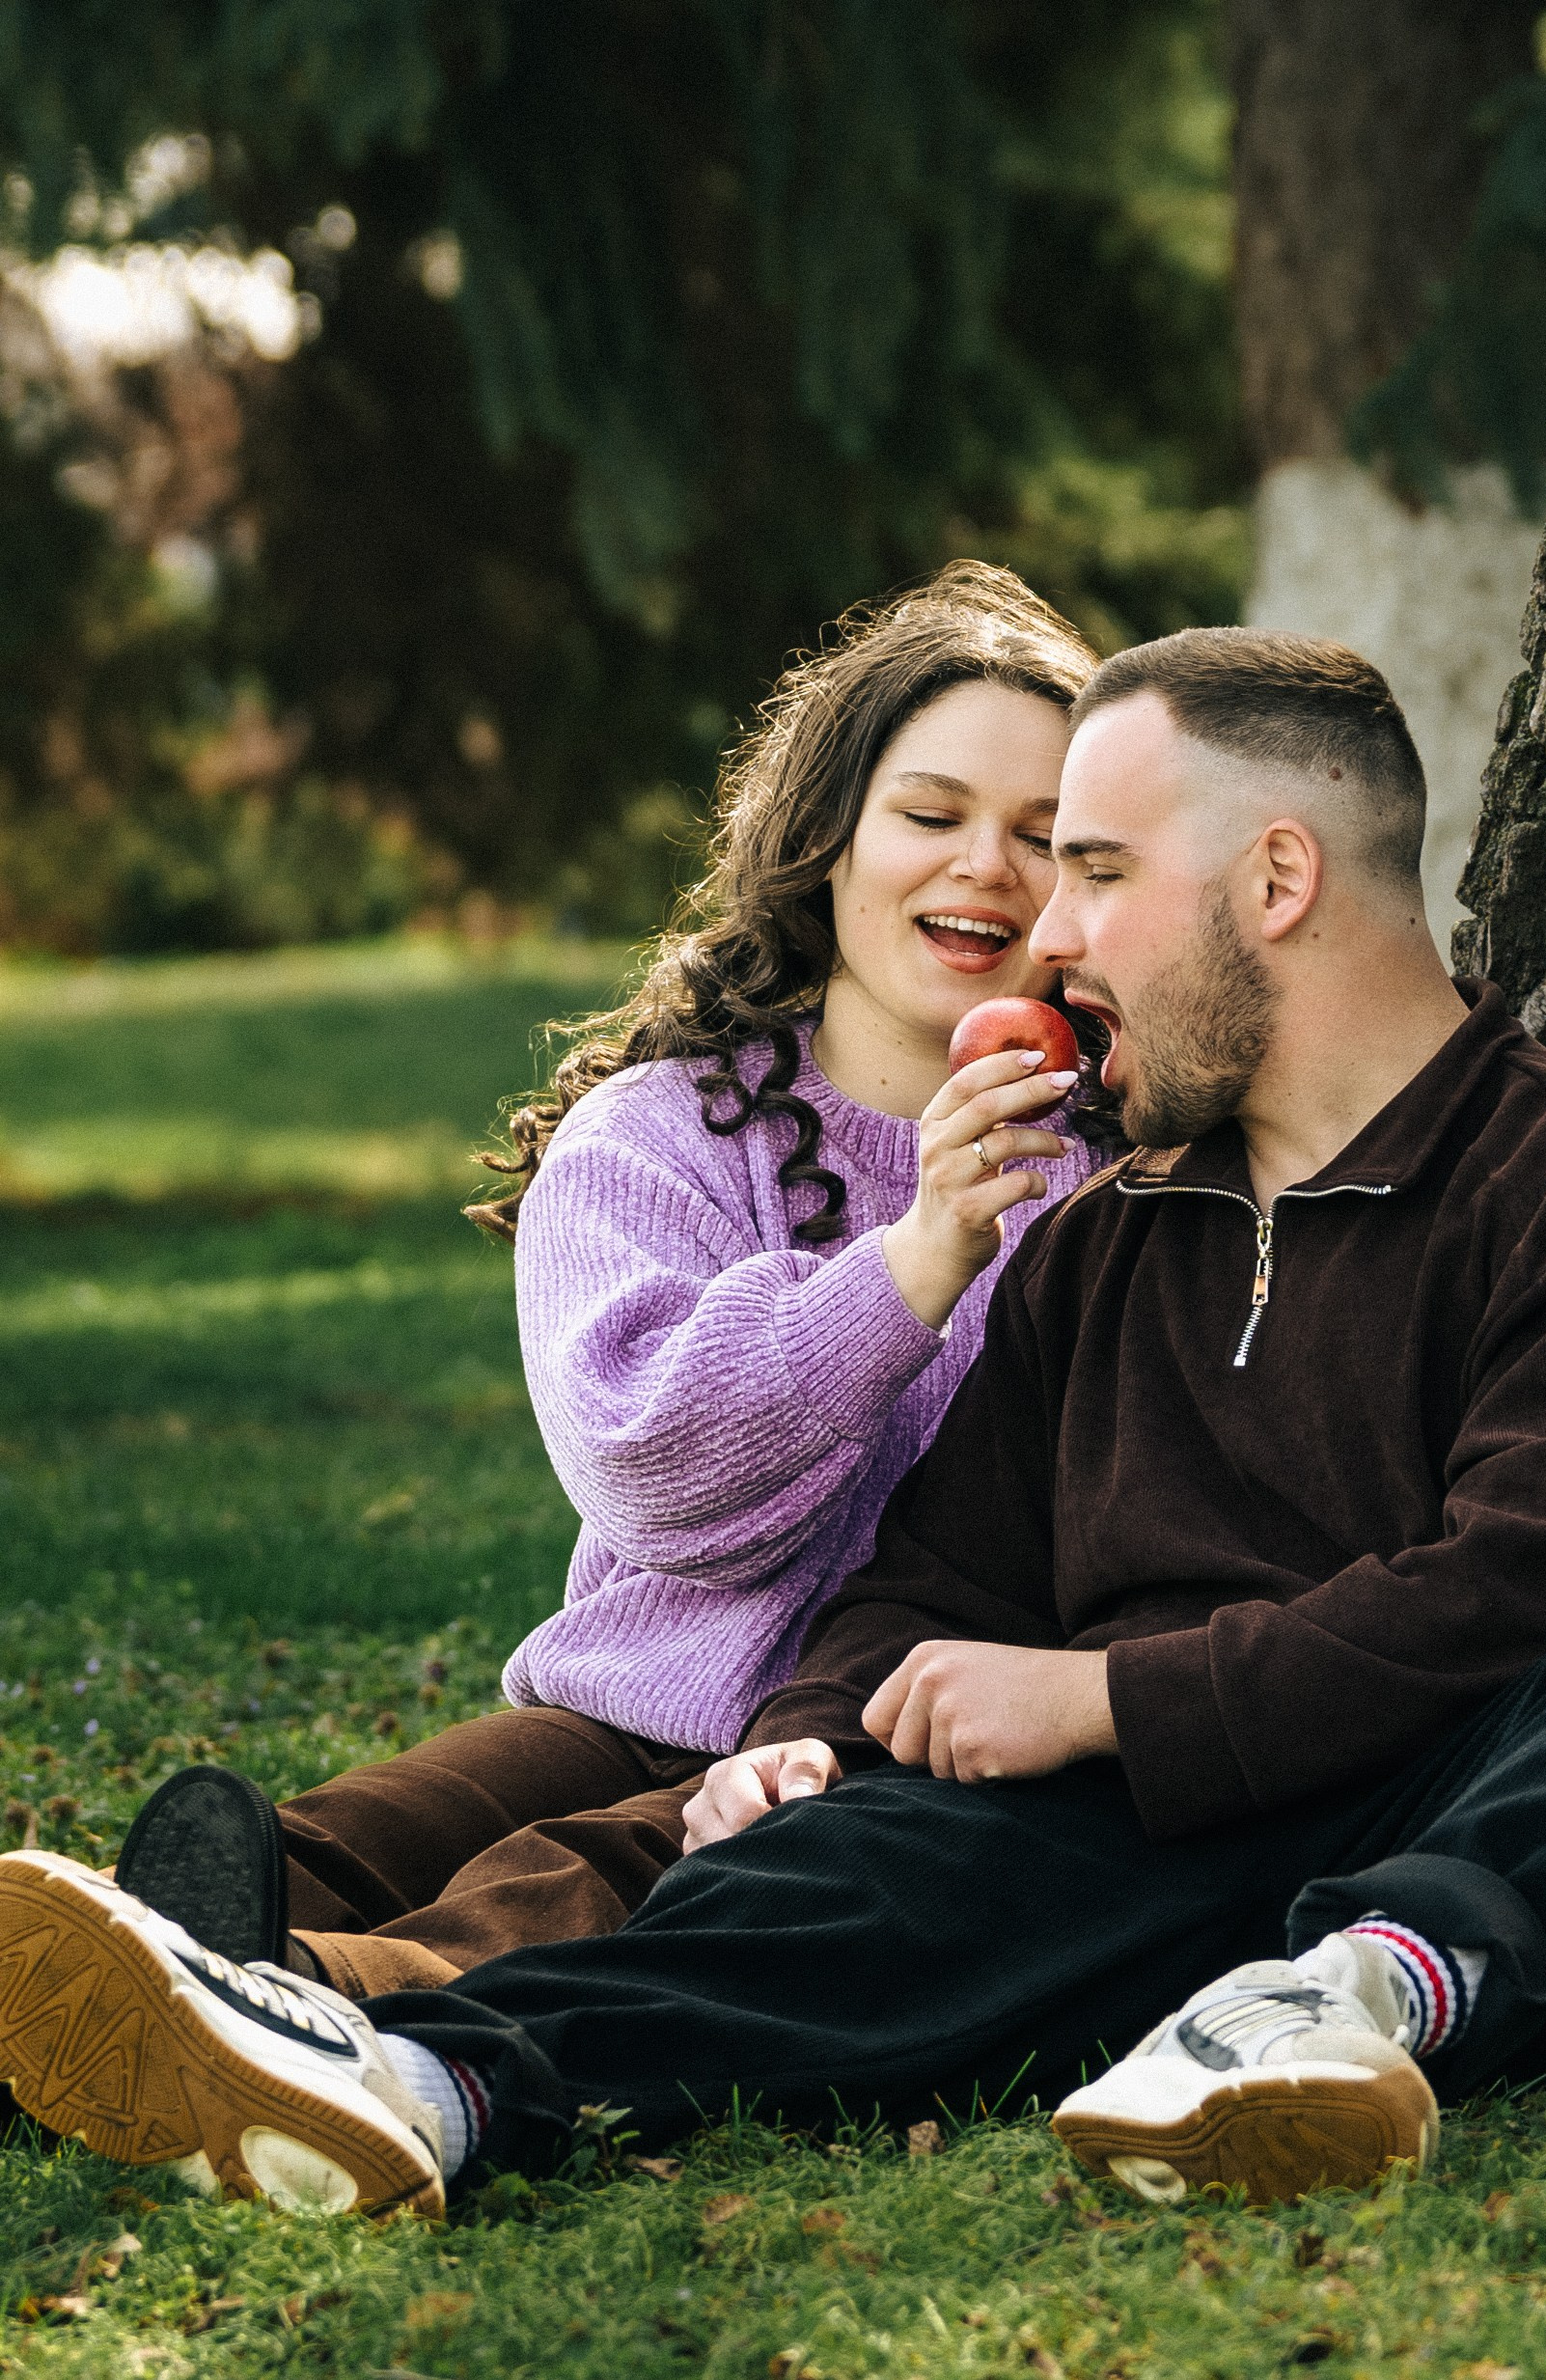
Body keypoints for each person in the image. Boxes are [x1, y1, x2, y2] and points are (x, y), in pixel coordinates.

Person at [0, 627, 1546, 2223]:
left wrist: (1108, 1698)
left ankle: (1339, 2006)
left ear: (1276, 882)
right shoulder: (1106, 1230)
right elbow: (939, 1564)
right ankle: (415, 2084)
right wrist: (805, 1739)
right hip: (1130, 1848)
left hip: (1473, 1867)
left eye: (1095, 868)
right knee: (836, 1870)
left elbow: (1540, 1589)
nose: (1047, 934)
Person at [103, 562, 1108, 2000]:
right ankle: (120, 1965)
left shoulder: (1116, 1169)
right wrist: (914, 1258)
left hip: (875, 1747)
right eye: (931, 814)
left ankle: (319, 1998)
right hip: (634, 1690)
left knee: (584, 1876)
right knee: (401, 1817)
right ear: (826, 837)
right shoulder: (657, 1136)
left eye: (1047, 838)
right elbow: (649, 1468)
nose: (986, 868)